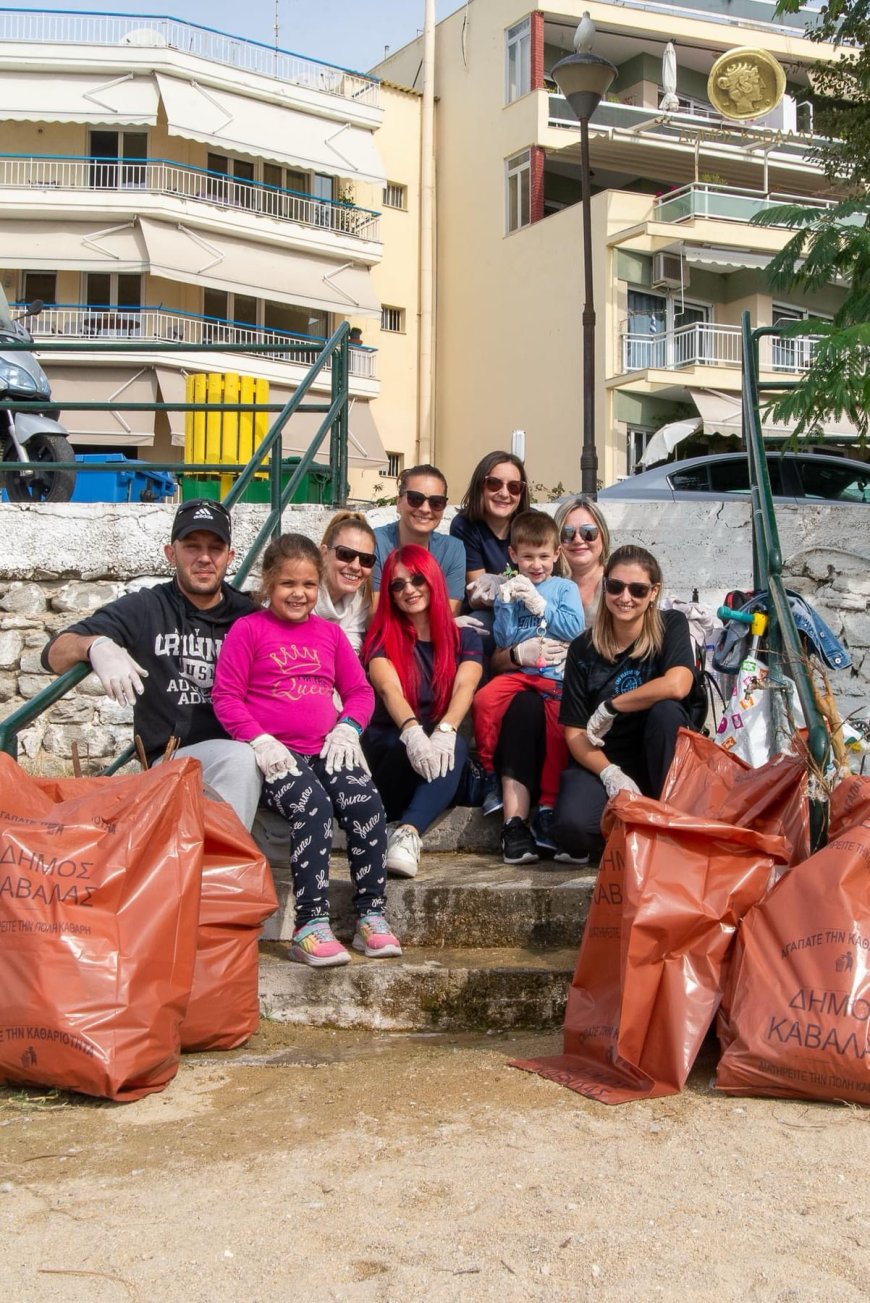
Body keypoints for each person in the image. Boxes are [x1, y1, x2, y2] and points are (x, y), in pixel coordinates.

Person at [212, 533, 401, 968]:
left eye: (309, 585)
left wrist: (348, 729)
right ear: (268, 585)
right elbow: (226, 697)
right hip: (275, 754)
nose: (299, 594)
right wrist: (257, 739)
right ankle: (310, 925)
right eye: (288, 585)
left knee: (365, 801)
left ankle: (371, 914)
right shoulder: (249, 630)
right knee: (313, 805)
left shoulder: (330, 635)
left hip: (326, 748)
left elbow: (359, 691)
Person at [41, 498, 262, 829]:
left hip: (243, 749)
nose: (204, 557)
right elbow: (53, 655)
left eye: (215, 548)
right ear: (170, 553)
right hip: (170, 758)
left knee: (249, 757)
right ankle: (222, 870)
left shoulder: (249, 615)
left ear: (229, 557)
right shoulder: (146, 607)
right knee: (241, 759)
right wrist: (96, 646)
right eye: (192, 546)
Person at [552, 544, 696, 862]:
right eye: (616, 586)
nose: (625, 597)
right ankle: (640, 833)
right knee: (571, 826)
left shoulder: (671, 625)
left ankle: (669, 821)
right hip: (605, 761)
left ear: (654, 592)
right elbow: (575, 731)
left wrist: (612, 706)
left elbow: (678, 684)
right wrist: (610, 775)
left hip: (659, 759)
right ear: (606, 586)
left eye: (638, 589)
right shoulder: (582, 648)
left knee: (666, 712)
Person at [486, 495, 611, 858]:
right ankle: (509, 810)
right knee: (521, 705)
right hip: (532, 680)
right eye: (569, 531)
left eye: (588, 531)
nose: (579, 539)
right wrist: (515, 649)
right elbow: (500, 649)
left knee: (552, 715)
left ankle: (548, 809)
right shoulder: (527, 584)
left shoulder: (615, 586)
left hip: (586, 694)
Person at [362, 545, 483, 878]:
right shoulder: (381, 639)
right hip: (393, 754)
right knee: (403, 743)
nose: (409, 590)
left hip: (437, 758)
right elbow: (389, 690)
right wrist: (413, 730)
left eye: (416, 579)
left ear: (433, 580)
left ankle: (408, 833)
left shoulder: (465, 638)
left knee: (454, 744)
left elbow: (465, 687)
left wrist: (444, 730)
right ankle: (399, 822)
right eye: (397, 585)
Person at [471, 511, 584, 866]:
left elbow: (574, 628)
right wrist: (506, 604)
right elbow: (504, 640)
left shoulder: (564, 588)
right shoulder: (512, 587)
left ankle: (548, 805)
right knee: (484, 699)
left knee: (557, 733)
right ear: (513, 556)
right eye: (528, 557)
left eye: (543, 556)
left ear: (556, 556)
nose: (536, 565)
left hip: (553, 674)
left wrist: (541, 604)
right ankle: (490, 772)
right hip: (521, 670)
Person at [371, 464, 466, 613]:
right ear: (399, 503)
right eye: (415, 499)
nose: (425, 509)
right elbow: (374, 615)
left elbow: (449, 614)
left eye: (436, 502)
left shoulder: (453, 549)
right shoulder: (375, 543)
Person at [450, 451, 531, 624]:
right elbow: (480, 593)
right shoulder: (465, 525)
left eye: (514, 487)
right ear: (480, 486)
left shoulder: (532, 523)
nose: (504, 493)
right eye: (494, 484)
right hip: (490, 612)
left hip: (530, 608)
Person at [314, 510, 376, 653]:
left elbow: (351, 652)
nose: (355, 566)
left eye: (366, 560)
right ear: (324, 553)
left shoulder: (360, 600)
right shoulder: (301, 592)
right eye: (346, 554)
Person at [553, 495, 610, 623]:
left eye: (588, 532)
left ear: (603, 535)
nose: (578, 540)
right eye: (567, 533)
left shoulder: (618, 584)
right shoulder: (546, 585)